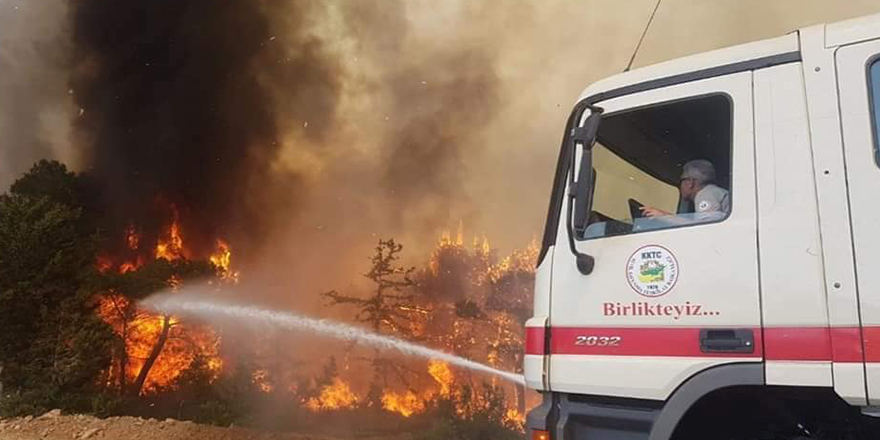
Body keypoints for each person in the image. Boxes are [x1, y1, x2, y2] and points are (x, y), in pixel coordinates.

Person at [640, 159, 729, 220]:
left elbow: (705, 228)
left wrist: (664, 216)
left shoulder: (705, 193)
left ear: (690, 182)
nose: (680, 185)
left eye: (681, 180)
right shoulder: (714, 192)